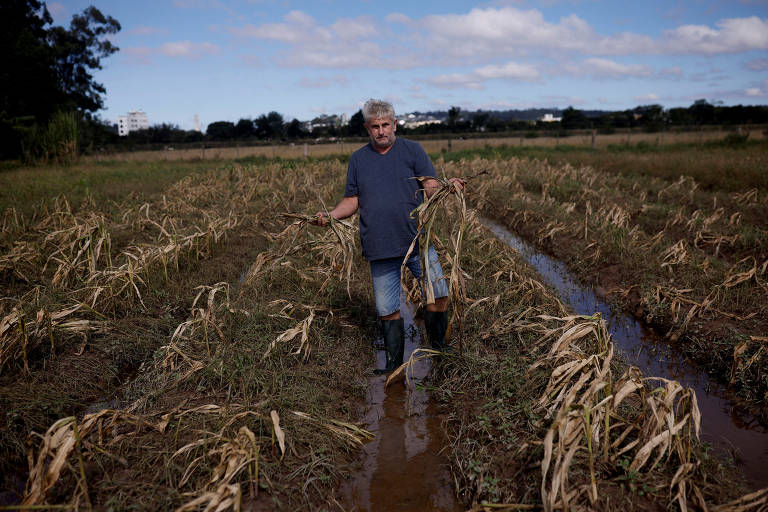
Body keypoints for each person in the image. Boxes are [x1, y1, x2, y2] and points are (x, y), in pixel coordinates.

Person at [313, 99, 465, 374]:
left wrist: (445, 187)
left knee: (439, 295)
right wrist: (332, 215)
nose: (381, 131)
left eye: (385, 125)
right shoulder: (358, 160)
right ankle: (394, 365)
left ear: (395, 124)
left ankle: (439, 350)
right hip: (380, 245)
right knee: (387, 309)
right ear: (367, 128)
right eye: (375, 127)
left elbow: (429, 185)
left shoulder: (413, 150)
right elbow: (352, 200)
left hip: (417, 241)